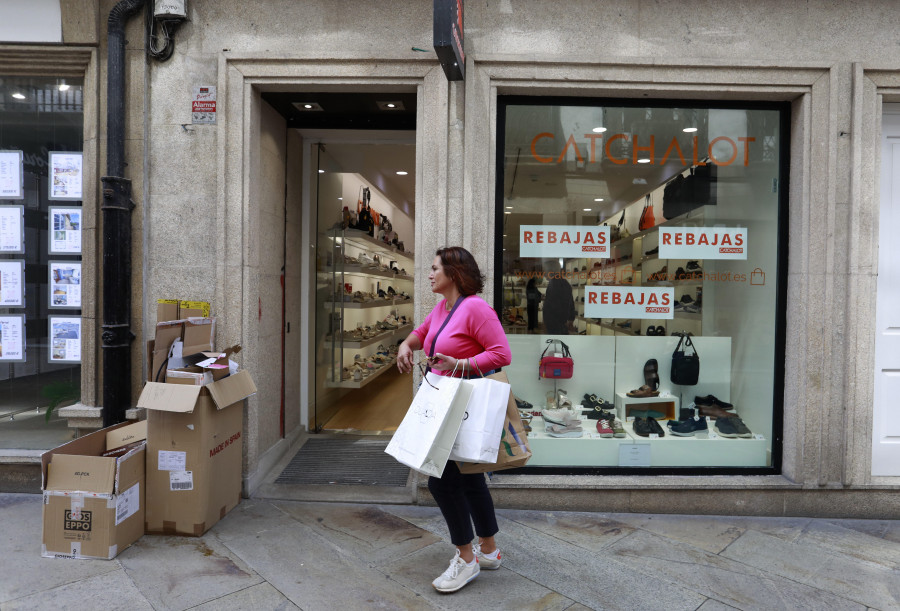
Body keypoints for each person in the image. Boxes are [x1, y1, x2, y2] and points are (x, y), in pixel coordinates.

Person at [396, 246, 512, 593]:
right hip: (445, 406)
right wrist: (407, 345)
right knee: (471, 478)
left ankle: (466, 558)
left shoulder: (475, 307)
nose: (429, 274)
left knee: (440, 482)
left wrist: (459, 364)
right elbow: (422, 332)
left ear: (454, 273)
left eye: (435, 269)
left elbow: (501, 353)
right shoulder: (444, 307)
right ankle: (489, 550)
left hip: (461, 407)